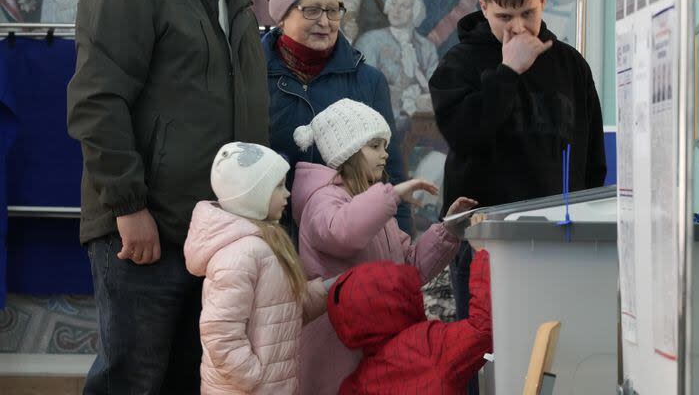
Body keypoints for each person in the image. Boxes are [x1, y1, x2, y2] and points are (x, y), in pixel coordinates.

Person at [66, 0, 271, 393]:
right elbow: (98, 102)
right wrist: (128, 206)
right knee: (132, 380)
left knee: (190, 381)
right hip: (144, 233)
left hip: (212, 235)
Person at [429, 0, 607, 395]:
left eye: (528, 13)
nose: (518, 28)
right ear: (484, 6)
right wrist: (508, 71)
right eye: (504, 16)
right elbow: (465, 135)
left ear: (543, 0)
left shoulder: (571, 65)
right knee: (487, 357)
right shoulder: (458, 66)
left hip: (562, 240)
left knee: (563, 353)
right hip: (485, 245)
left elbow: (591, 158)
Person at [290, 98, 477, 395]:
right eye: (374, 146)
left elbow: (408, 269)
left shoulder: (375, 202)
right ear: (348, 151)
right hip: (335, 351)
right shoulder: (321, 199)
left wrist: (447, 231)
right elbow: (342, 233)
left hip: (372, 346)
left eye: (385, 146)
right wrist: (392, 195)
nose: (385, 154)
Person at [260, 0, 411, 234]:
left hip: (343, 243)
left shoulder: (367, 82)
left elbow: (390, 174)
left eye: (334, 10)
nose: (327, 22)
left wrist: (401, 242)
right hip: (270, 239)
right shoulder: (252, 74)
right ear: (282, 16)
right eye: (313, 10)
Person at [184, 142, 331, 394]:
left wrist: (329, 289)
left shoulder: (265, 243)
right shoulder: (239, 255)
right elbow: (220, 334)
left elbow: (279, 308)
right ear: (252, 195)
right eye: (278, 186)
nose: (287, 194)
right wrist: (254, 378)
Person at [328, 246, 492, 394]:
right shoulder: (431, 345)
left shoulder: (355, 386)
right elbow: (484, 328)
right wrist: (484, 252)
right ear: (402, 293)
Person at [354, 0, 438, 130]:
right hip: (379, 119)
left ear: (415, 13)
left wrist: (420, 81)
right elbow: (366, 87)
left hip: (422, 121)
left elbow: (437, 86)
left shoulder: (426, 47)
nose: (396, 10)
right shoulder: (370, 40)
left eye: (404, 6)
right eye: (393, 4)